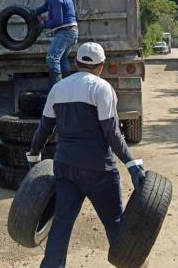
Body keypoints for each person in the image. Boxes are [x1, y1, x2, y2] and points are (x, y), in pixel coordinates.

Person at [26, 42, 146, 268]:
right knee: (114, 224)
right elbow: (112, 133)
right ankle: (127, 265)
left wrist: (33, 157)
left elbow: (44, 129)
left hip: (65, 166)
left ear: (76, 62)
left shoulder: (58, 88)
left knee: (61, 223)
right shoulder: (101, 88)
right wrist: (131, 164)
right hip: (98, 170)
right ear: (101, 65)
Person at [35, 0, 78, 88]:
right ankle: (68, 87)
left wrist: (44, 25)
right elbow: (45, 6)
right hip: (70, 31)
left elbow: (59, 21)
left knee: (52, 58)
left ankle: (57, 91)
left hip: (66, 31)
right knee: (62, 59)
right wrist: (34, 12)